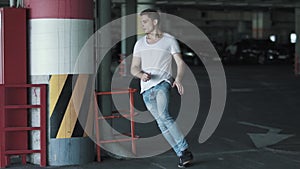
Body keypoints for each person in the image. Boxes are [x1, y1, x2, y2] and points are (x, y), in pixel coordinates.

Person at [131, 9, 193, 168]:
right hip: (146, 89)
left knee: (164, 116)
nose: (142, 25)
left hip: (162, 83)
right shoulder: (139, 44)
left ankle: (184, 150)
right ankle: (181, 154)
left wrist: (178, 79)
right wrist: (140, 75)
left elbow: (180, 63)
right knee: (160, 122)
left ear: (155, 22)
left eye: (145, 21)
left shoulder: (169, 40)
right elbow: (134, 68)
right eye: (141, 22)